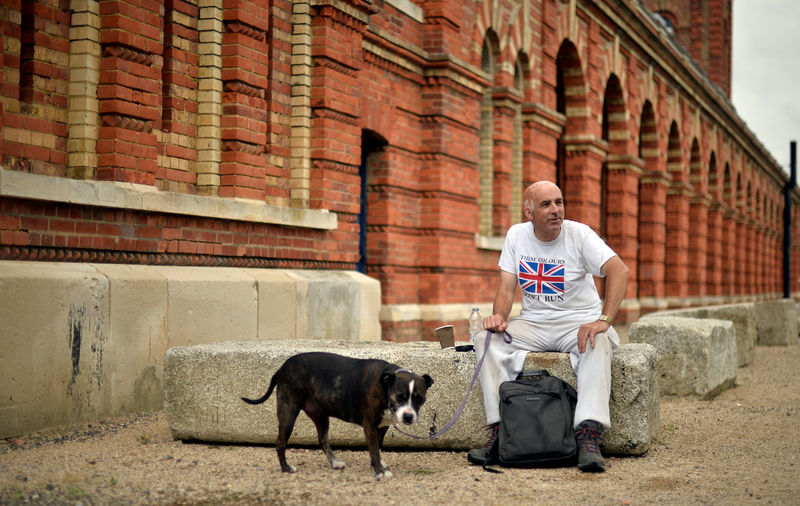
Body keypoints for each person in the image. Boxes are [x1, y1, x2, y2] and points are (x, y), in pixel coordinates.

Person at [467, 180, 629, 472]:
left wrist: (603, 320)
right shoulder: (517, 235)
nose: (556, 210)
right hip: (534, 323)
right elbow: (506, 289)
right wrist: (499, 319)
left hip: (577, 322)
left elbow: (618, 269)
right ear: (529, 212)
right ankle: (501, 430)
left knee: (598, 341)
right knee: (485, 339)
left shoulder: (578, 234)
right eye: (546, 204)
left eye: (559, 202)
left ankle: (588, 435)